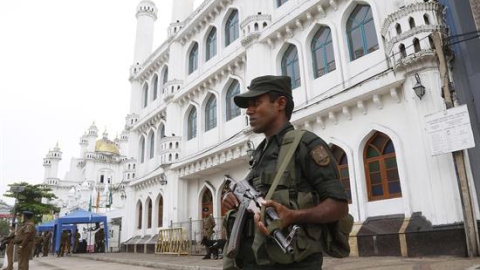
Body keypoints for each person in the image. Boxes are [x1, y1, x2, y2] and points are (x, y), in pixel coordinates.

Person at [222, 75, 348, 270]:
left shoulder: (305, 145)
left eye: (256, 103)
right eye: (248, 105)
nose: (248, 111)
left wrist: (294, 215)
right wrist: (232, 198)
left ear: (280, 103)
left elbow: (338, 206)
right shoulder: (260, 152)